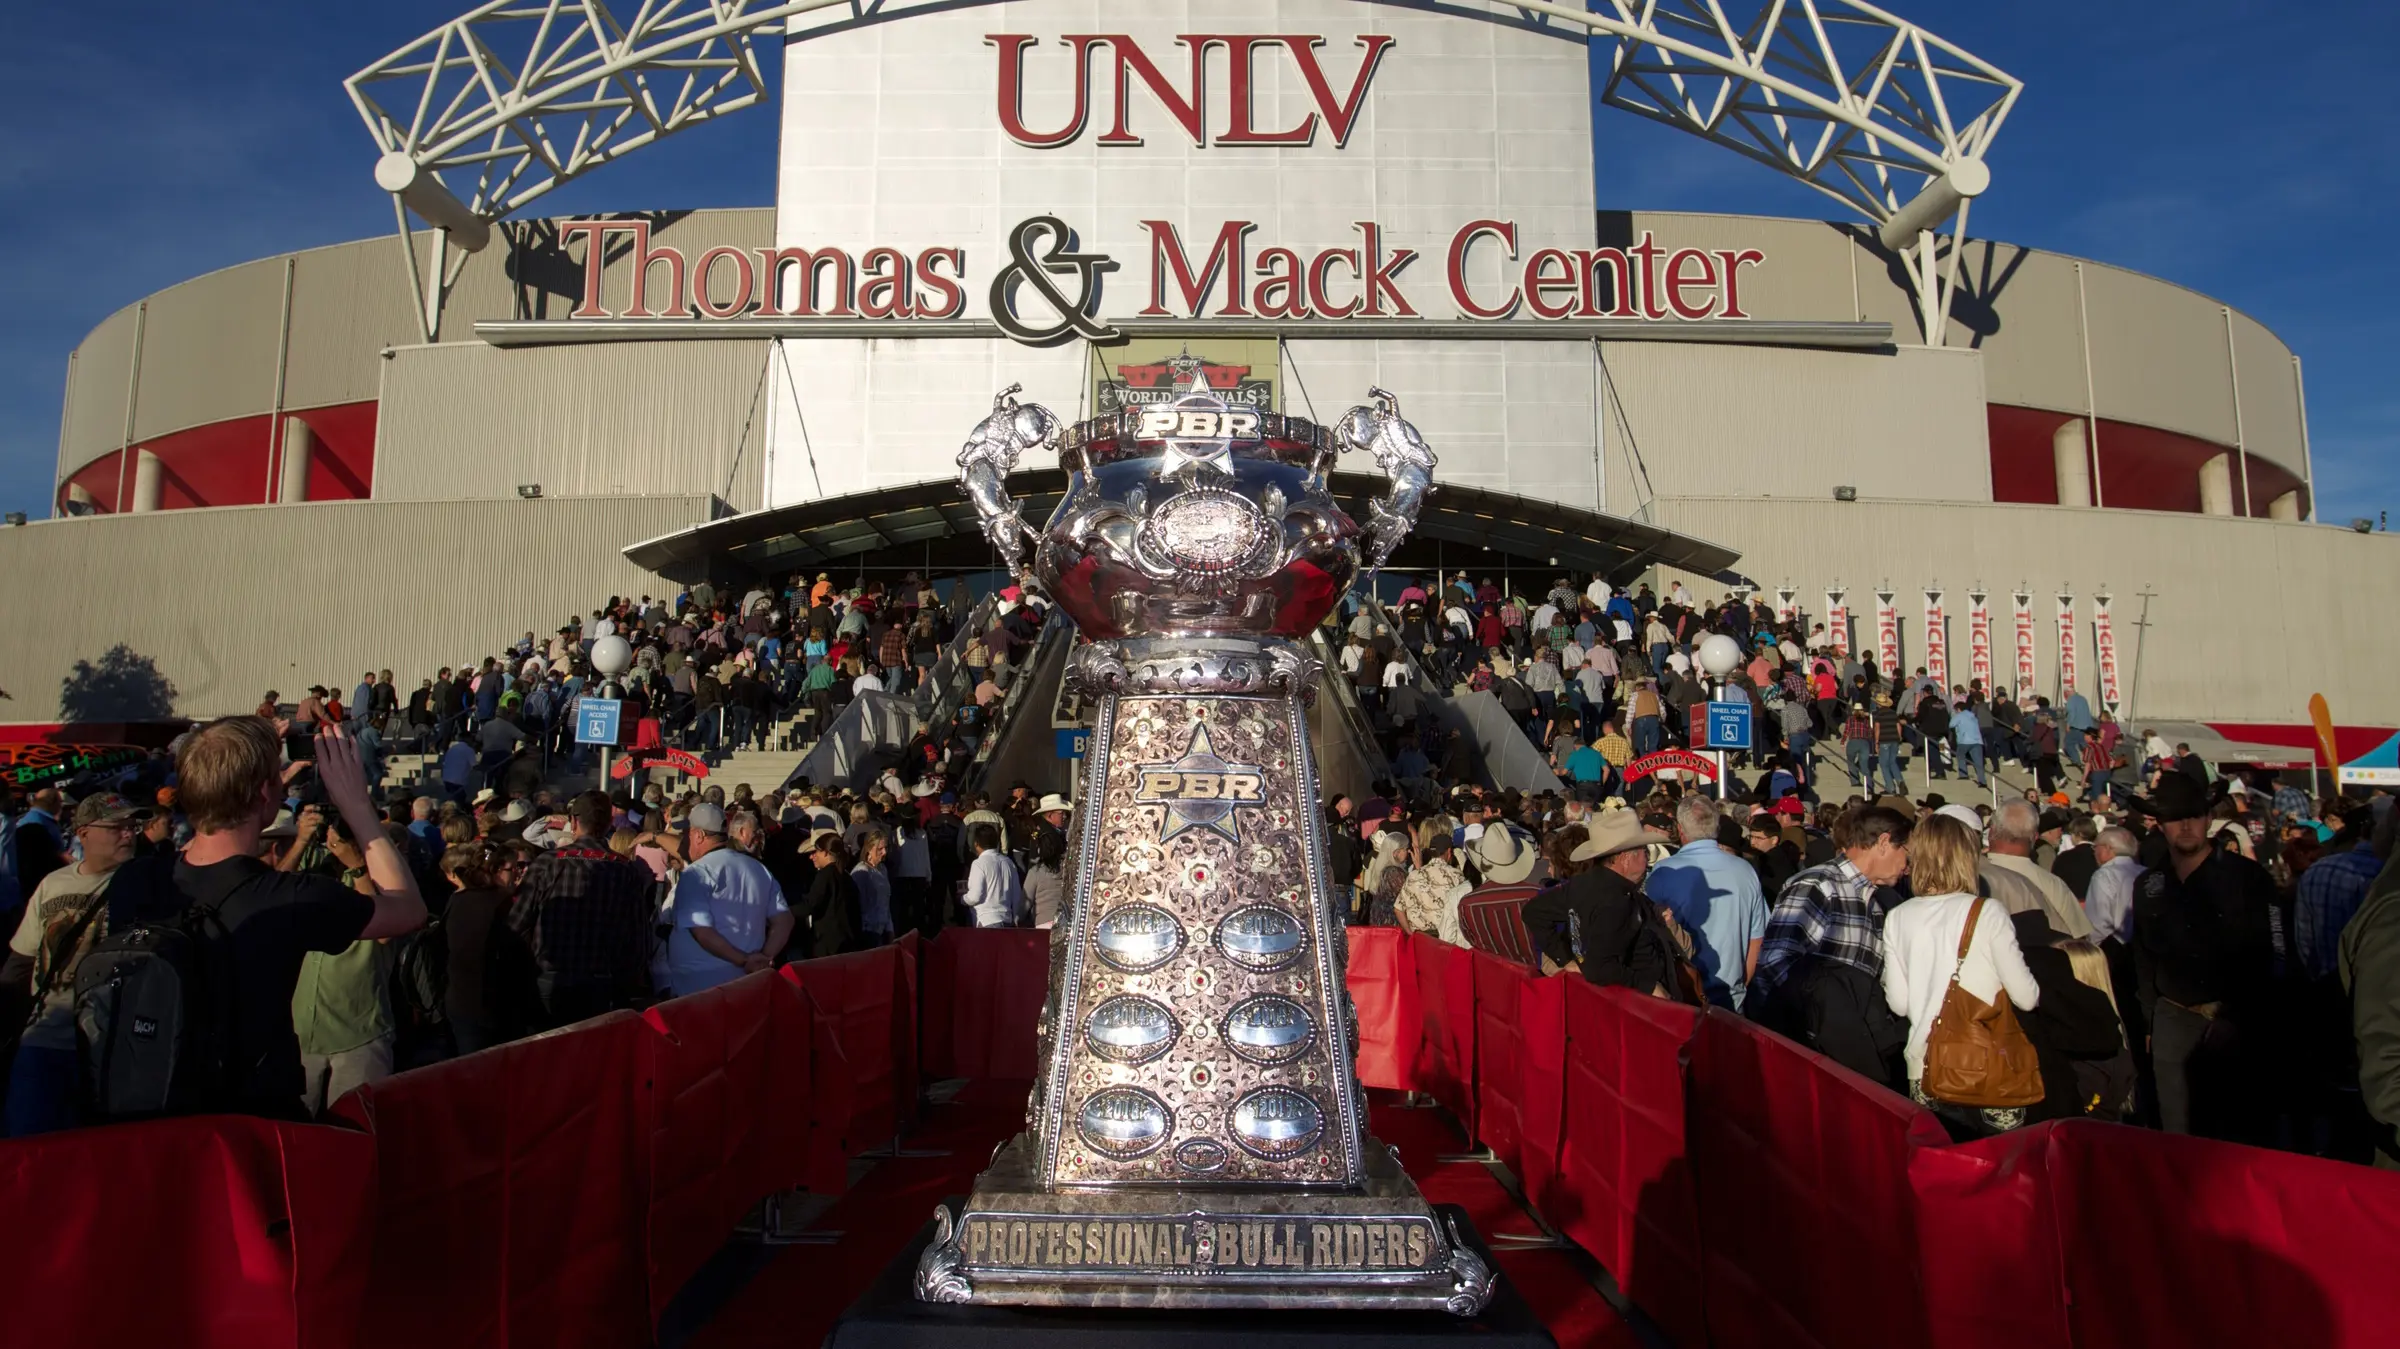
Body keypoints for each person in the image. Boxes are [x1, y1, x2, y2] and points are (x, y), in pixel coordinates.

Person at [133, 719, 425, 1120]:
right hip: (252, 1123)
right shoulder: (288, 897)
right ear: (266, 792)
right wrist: (356, 805)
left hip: (149, 1110)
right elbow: (408, 909)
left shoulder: (135, 880)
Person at [2130, 773, 2277, 1140]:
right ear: (2160, 824)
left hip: (2239, 1018)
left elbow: (2274, 954)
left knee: (2241, 1132)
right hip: (2172, 1017)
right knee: (2177, 1133)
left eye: (2194, 814)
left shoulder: (2248, 878)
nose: (2186, 825)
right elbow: (2144, 957)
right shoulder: (2149, 885)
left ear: (2209, 818)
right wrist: (2151, 1023)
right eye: (2176, 817)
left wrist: (2240, 1017)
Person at [1879, 813, 2044, 1137]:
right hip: (1989, 1063)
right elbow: (2026, 998)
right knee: (2001, 1164)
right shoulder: (1988, 912)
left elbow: (1899, 1005)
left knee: (1944, 1166)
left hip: (1925, 1065)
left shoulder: (1898, 917)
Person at [1, 793, 146, 1135]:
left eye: (132, 826)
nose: (129, 834)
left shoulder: (145, 883)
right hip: (45, 1039)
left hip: (111, 1048)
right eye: (117, 827)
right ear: (83, 833)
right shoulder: (53, 884)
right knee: (26, 1149)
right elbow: (20, 962)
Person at [1747, 804, 1913, 1089]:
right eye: (1906, 852)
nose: (1907, 865)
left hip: (1855, 1050)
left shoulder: (1880, 899)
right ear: (1884, 843)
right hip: (1815, 1053)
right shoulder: (1818, 884)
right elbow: (1775, 964)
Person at [511, 790, 657, 1027]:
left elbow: (516, 924)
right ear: (609, 823)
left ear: (574, 821)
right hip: (600, 983)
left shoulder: (548, 863)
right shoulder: (625, 870)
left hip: (554, 979)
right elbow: (637, 939)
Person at [1522, 809, 1685, 997]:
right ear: (1625, 857)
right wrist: (1649, 986)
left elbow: (1533, 911)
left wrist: (1565, 959)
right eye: (1643, 851)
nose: (1647, 857)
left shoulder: (1584, 883)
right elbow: (1599, 967)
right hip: (1636, 1006)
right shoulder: (1617, 899)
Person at [1645, 796, 1769, 1010]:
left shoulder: (1663, 872)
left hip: (1684, 996)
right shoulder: (1745, 870)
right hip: (1728, 995)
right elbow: (1756, 939)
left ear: (1680, 830)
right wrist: (1741, 985)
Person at [663, 803, 793, 995]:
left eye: (688, 834)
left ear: (698, 836)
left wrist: (745, 960)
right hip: (746, 982)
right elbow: (784, 920)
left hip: (702, 987)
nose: (685, 840)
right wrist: (764, 958)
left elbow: (702, 932)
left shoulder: (697, 872)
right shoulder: (757, 868)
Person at [439, 841, 538, 1055]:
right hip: (493, 1008)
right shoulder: (501, 904)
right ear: (495, 871)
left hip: (462, 1004)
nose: (518, 875)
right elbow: (517, 959)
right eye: (513, 869)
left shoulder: (458, 899)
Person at [1981, 800, 2094, 940]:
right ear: (2035, 837)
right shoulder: (2054, 885)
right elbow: (2080, 942)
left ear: (1992, 831)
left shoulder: (1966, 874)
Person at [1396, 827, 1471, 944]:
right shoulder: (1456, 875)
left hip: (1419, 939)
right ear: (1449, 852)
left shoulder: (1414, 875)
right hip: (1444, 940)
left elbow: (1398, 909)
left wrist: (1410, 933)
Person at [963, 822, 1021, 927]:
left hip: (986, 921)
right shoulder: (1008, 862)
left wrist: (963, 899)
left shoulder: (979, 863)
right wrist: (1016, 917)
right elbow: (1017, 894)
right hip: (1007, 919)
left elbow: (975, 896)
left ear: (976, 844)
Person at [853, 828, 896, 945]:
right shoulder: (862, 872)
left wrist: (890, 929)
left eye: (886, 848)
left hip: (883, 930)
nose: (884, 852)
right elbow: (858, 906)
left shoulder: (883, 869)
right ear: (869, 849)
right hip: (868, 932)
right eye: (879, 849)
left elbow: (885, 902)